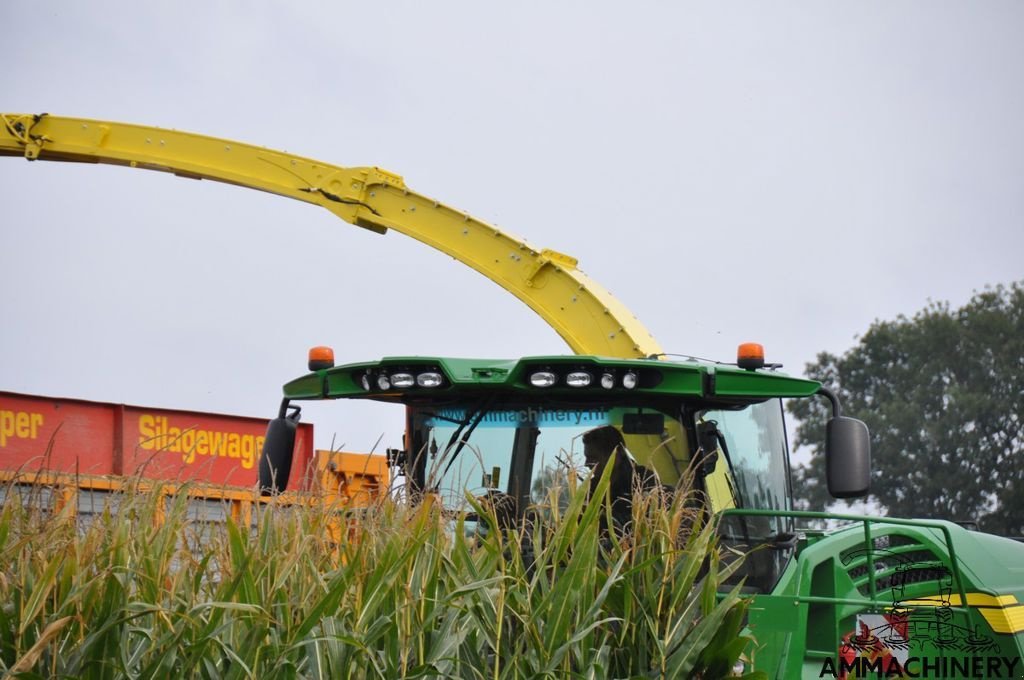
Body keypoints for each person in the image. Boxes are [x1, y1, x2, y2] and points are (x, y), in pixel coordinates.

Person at [582, 425, 668, 529]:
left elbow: (659, 521)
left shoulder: (644, 480)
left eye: (593, 458)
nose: (586, 464)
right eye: (587, 458)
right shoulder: (591, 488)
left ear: (617, 453)